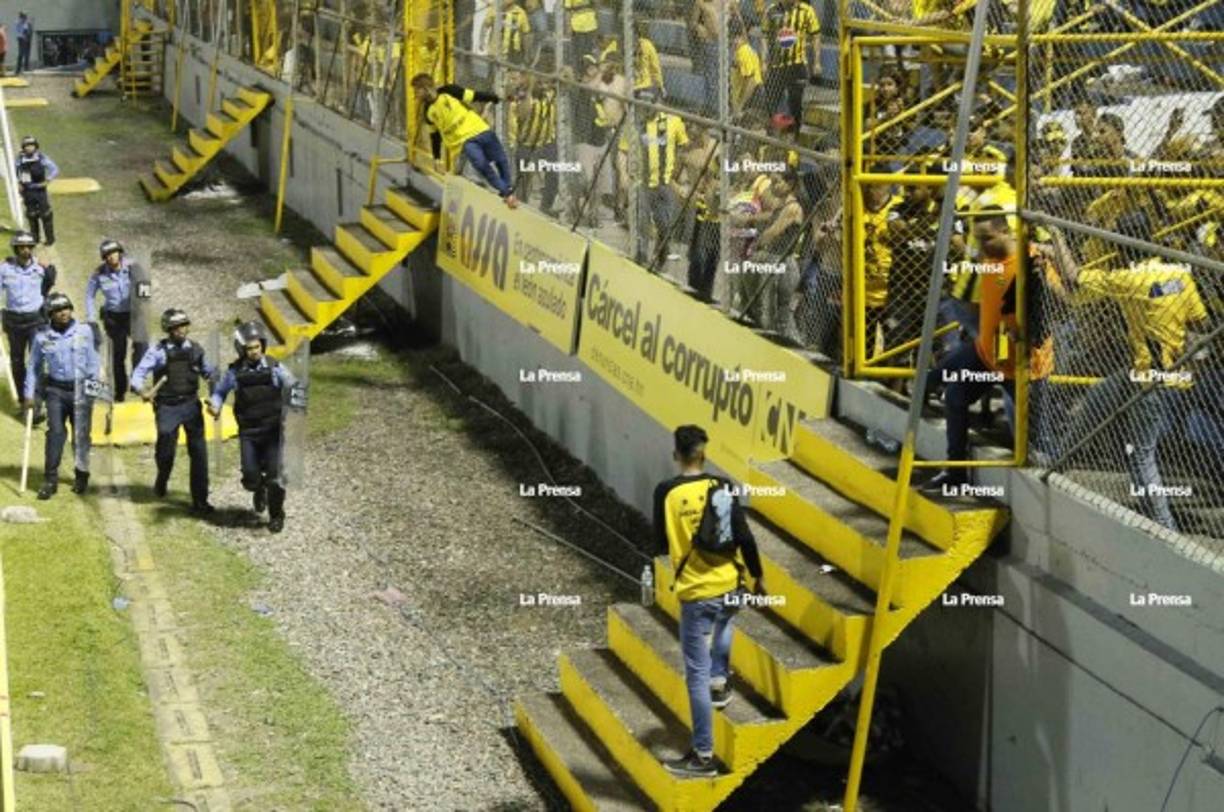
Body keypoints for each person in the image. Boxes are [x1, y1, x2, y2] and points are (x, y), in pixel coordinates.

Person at [1047, 216, 1207, 531]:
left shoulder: (1128, 279)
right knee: (1097, 398)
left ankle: (1164, 526)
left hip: (1149, 378)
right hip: (1161, 370)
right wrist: (1190, 360)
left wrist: (1056, 236)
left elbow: (1074, 277)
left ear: (1120, 248)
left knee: (1141, 455)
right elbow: (1199, 324)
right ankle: (1058, 465)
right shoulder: (1179, 274)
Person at [654, 425, 763, 778]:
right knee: (726, 621)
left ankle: (703, 756)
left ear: (676, 454)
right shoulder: (723, 487)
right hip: (731, 582)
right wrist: (758, 576)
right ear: (704, 454)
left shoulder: (666, 493)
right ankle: (721, 680)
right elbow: (745, 537)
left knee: (694, 676)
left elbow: (659, 544)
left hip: (696, 591)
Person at [922, 211, 1020, 492]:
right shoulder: (989, 258)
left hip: (1019, 363)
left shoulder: (1026, 264)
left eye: (987, 238)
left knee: (1029, 438)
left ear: (1006, 232)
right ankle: (955, 472)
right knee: (949, 390)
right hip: (987, 352)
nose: (982, 246)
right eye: (977, 240)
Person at [207, 322, 295, 534]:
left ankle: (276, 515)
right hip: (249, 432)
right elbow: (219, 392)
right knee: (249, 478)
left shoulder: (274, 367)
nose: (255, 352)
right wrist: (215, 406)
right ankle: (259, 488)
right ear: (242, 350)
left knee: (275, 478)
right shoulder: (234, 373)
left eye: (257, 347)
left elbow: (292, 384)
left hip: (273, 431)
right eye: (250, 348)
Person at [130, 308, 215, 515]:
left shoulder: (196, 350)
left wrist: (214, 394)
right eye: (176, 327)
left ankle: (200, 500)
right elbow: (138, 375)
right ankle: (163, 475)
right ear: (168, 329)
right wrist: (142, 390)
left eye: (183, 325)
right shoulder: (157, 351)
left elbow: (211, 374)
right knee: (166, 449)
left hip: (191, 405)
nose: (180, 330)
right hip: (167, 407)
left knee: (199, 454)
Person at [22, 293, 99, 500]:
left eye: (66, 307)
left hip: (81, 390)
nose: (63, 312)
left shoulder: (85, 332)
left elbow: (93, 363)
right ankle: (50, 480)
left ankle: (81, 475)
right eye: (57, 310)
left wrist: (93, 392)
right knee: (55, 434)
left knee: (81, 436)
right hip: (55, 391)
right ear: (50, 314)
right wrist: (29, 395)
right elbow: (33, 368)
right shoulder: (42, 337)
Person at [411, 73, 518, 208]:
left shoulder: (449, 91)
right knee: (481, 165)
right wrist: (437, 159)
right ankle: (508, 193)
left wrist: (496, 98)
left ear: (425, 88)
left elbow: (475, 96)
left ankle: (506, 192)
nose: (415, 94)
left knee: (500, 159)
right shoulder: (428, 112)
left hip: (480, 129)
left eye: (417, 90)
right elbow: (435, 137)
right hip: (466, 141)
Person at [619, 88, 688, 266]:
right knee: (640, 222)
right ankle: (640, 257)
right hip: (641, 182)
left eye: (649, 104)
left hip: (665, 183)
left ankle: (661, 253)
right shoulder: (634, 123)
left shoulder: (673, 122)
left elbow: (683, 150)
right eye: (642, 105)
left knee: (665, 226)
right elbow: (623, 151)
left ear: (658, 103)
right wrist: (623, 174)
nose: (646, 108)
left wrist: (681, 179)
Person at [85, 239, 149, 403]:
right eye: (107, 255)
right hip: (114, 318)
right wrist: (91, 319)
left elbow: (145, 286)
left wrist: (142, 303)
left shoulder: (133, 267)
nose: (112, 257)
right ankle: (120, 391)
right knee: (118, 355)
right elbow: (89, 296)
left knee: (142, 346)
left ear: (120, 253)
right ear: (104, 258)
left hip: (134, 315)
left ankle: (137, 380)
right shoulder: (99, 274)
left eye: (114, 253)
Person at [1, 230, 55, 414]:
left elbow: (48, 286)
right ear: (15, 249)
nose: (25, 250)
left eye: (28, 247)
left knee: (37, 361)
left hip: (35, 321)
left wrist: (49, 268)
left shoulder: (41, 269)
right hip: (13, 321)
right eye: (21, 247)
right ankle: (23, 400)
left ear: (32, 249)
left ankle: (37, 405)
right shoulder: (5, 268)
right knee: (17, 362)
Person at [761, 0, 822, 140]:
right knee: (771, 101)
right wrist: (763, 61)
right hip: (776, 65)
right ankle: (773, 133)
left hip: (797, 64)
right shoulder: (771, 10)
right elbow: (764, 35)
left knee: (796, 102)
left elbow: (816, 35)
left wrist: (817, 62)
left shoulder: (806, 11)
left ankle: (796, 135)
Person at [16, 136, 59, 246]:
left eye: (31, 145)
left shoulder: (42, 158)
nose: (29, 148)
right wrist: (19, 183)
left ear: (35, 146)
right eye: (27, 146)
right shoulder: (20, 159)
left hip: (40, 190)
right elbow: (16, 172)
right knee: (31, 215)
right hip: (28, 191)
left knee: (46, 215)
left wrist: (48, 180)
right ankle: (35, 239)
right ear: (23, 147)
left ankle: (50, 240)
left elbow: (54, 169)